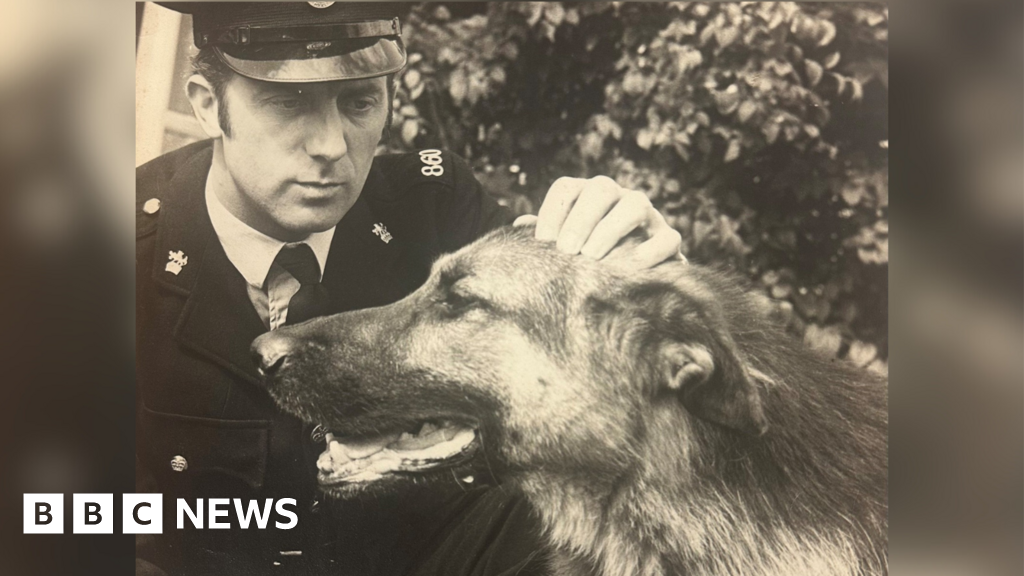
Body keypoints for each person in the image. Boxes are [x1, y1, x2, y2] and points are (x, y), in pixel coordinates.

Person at [136, 3, 682, 575]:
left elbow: (594, 361)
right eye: (286, 101)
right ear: (206, 105)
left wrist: (635, 262)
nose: (330, 145)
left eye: (359, 102)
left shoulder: (435, 205)